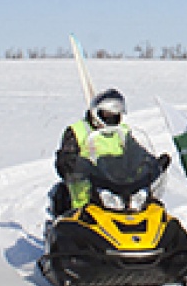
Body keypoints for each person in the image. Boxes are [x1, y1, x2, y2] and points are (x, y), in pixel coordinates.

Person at [51, 88, 133, 216]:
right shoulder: (77, 131)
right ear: (96, 113)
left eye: (116, 115)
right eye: (107, 114)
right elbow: (65, 161)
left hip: (120, 195)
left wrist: (152, 164)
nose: (112, 118)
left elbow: (136, 152)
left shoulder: (123, 131)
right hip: (86, 200)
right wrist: (77, 167)